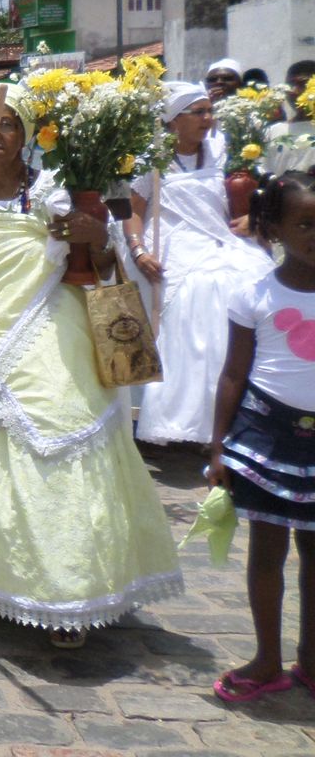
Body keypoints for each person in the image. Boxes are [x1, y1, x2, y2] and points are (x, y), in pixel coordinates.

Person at [0, 84, 182, 647]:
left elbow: (97, 267)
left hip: (53, 328)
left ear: (27, 135)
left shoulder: (56, 190)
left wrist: (98, 238)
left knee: (56, 427)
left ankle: (63, 590)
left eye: (6, 126)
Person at [207, 171, 315, 702]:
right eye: (305, 224)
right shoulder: (254, 295)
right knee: (267, 554)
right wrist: (217, 446)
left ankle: (312, 661)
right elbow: (233, 374)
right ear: (273, 228)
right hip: (266, 435)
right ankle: (268, 658)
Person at [122, 83, 274, 445]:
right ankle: (187, 415)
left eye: (210, 111)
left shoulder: (222, 151)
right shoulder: (151, 158)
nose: (208, 119)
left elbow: (243, 201)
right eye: (199, 112)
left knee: (256, 275)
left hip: (219, 236)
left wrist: (251, 219)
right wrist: (139, 250)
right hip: (174, 237)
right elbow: (133, 211)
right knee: (201, 291)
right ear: (174, 120)